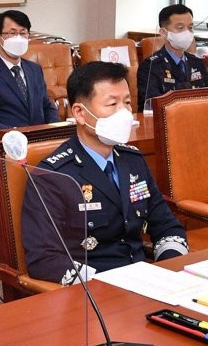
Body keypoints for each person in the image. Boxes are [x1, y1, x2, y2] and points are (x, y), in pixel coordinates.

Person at [22, 61, 187, 283]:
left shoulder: (133, 160)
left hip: (145, 282)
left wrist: (169, 269)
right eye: (112, 104)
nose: (125, 113)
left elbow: (166, 225)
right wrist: (105, 287)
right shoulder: (54, 175)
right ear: (80, 113)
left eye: (127, 103)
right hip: (93, 293)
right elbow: (44, 258)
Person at [0, 9, 59, 136]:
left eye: (23, 33)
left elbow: (47, 106)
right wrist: (14, 133)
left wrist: (53, 129)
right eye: (12, 33)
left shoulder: (35, 69)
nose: (19, 38)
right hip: (9, 144)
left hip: (40, 140)